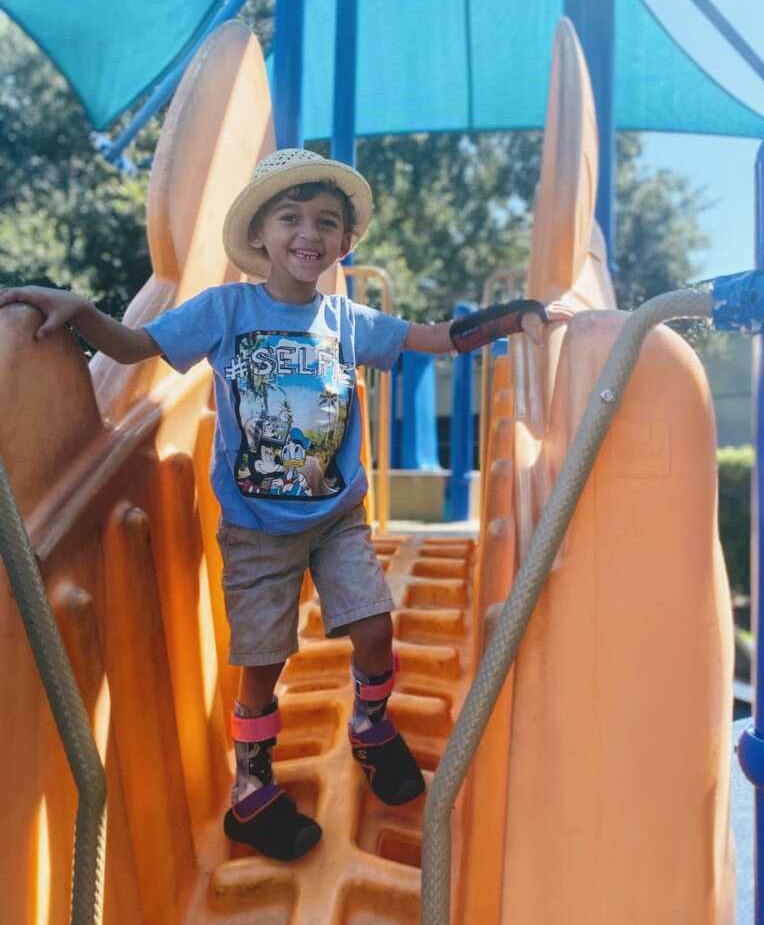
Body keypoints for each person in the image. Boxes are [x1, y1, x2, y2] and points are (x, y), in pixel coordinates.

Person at [0, 148, 572, 861]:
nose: (310, 232)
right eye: (292, 218)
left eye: (327, 222)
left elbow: (431, 339)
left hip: (337, 519)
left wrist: (509, 319)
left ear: (344, 242)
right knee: (263, 664)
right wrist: (85, 313)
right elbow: (141, 345)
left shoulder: (346, 318)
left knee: (373, 632)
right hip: (256, 531)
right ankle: (250, 789)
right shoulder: (227, 309)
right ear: (262, 235)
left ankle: (370, 724)